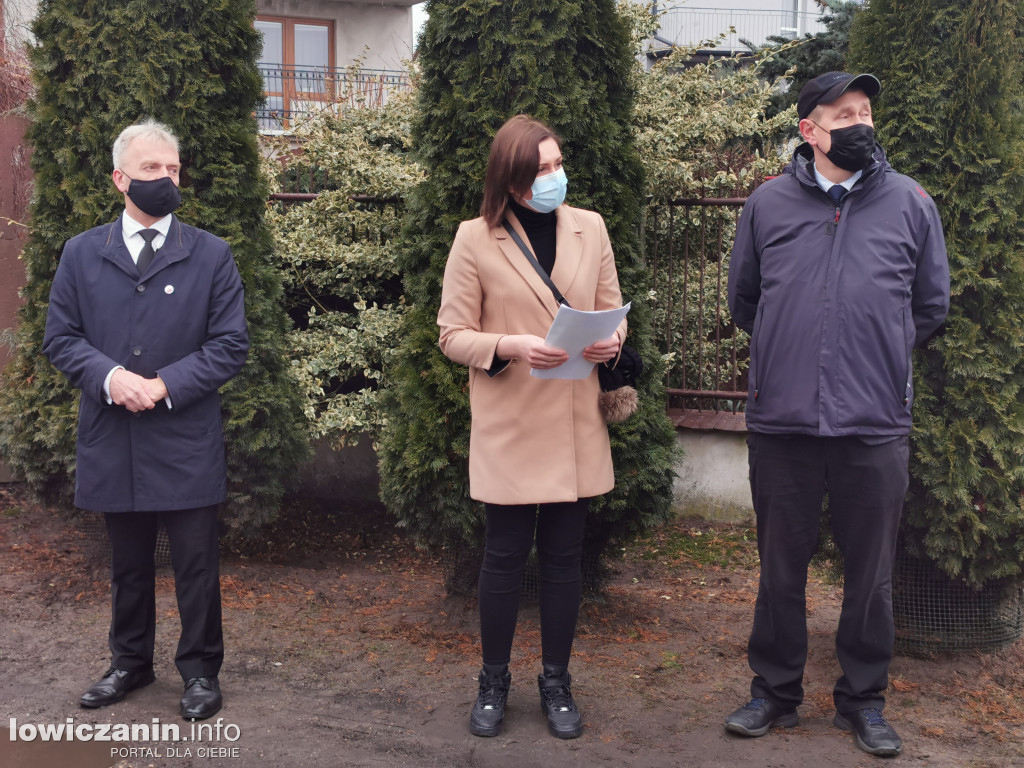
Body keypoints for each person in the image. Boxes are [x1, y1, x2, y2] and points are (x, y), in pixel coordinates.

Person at [725, 71, 950, 757]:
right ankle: (774, 693)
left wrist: (875, 355)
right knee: (780, 568)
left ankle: (862, 700)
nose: (859, 123)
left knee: (871, 574)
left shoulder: (911, 203)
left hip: (875, 424)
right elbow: (745, 302)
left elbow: (930, 306)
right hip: (783, 421)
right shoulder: (766, 205)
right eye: (843, 113)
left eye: (866, 112)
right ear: (809, 130)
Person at [43, 120, 249, 721]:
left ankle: (201, 673)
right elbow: (61, 338)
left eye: (173, 169)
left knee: (195, 566)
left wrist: (164, 384)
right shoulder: (82, 253)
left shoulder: (211, 254)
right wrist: (111, 379)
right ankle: (129, 663)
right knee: (128, 565)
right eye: (152, 168)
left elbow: (230, 344)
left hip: (184, 435)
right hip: (114, 435)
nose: (166, 178)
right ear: (120, 178)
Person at [436, 115, 626, 740]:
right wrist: (512, 344)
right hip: (511, 422)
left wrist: (610, 343)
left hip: (575, 419)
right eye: (541, 169)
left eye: (557, 163)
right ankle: (493, 682)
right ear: (512, 177)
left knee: (565, 559)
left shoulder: (591, 226)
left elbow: (611, 312)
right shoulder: (474, 237)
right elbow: (452, 336)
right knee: (504, 556)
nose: (554, 177)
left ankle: (557, 681)